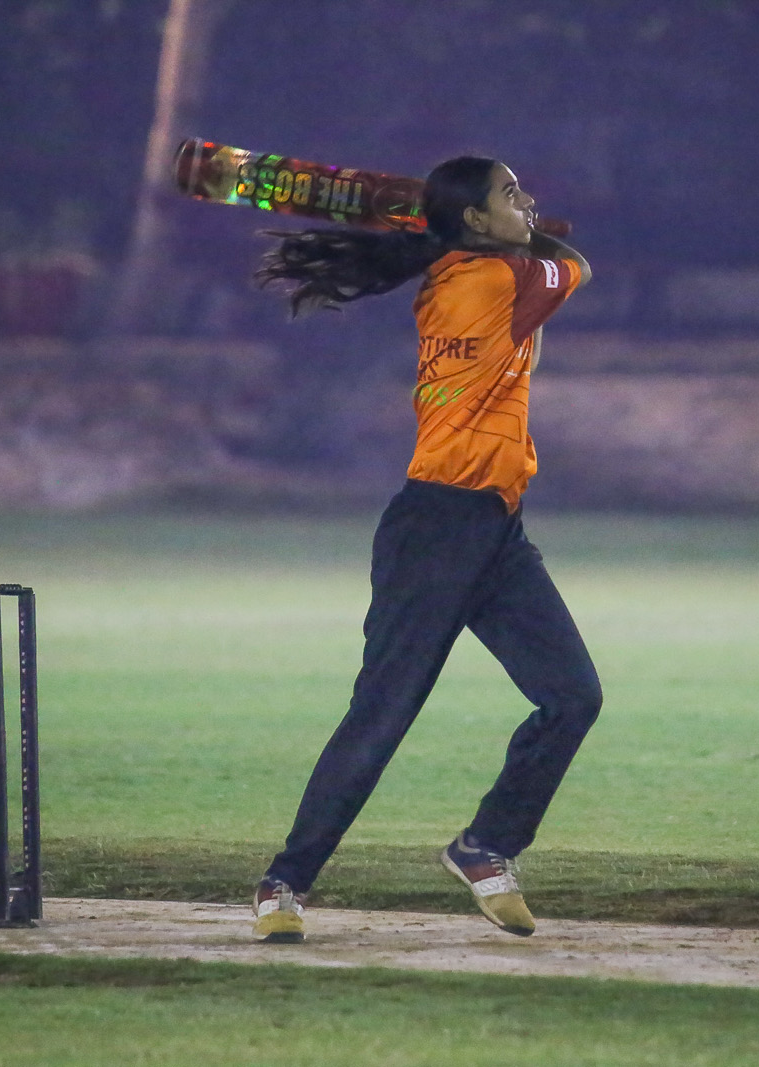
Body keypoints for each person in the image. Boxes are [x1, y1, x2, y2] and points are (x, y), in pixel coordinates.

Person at [249, 156, 601, 943]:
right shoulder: (495, 279)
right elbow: (577, 263)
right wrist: (533, 236)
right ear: (474, 220)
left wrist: (499, 227)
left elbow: (535, 272)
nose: (528, 198)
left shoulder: (458, 272)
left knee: (573, 696)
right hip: (436, 529)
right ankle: (285, 881)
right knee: (382, 715)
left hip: (495, 529)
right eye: (510, 193)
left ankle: (485, 845)